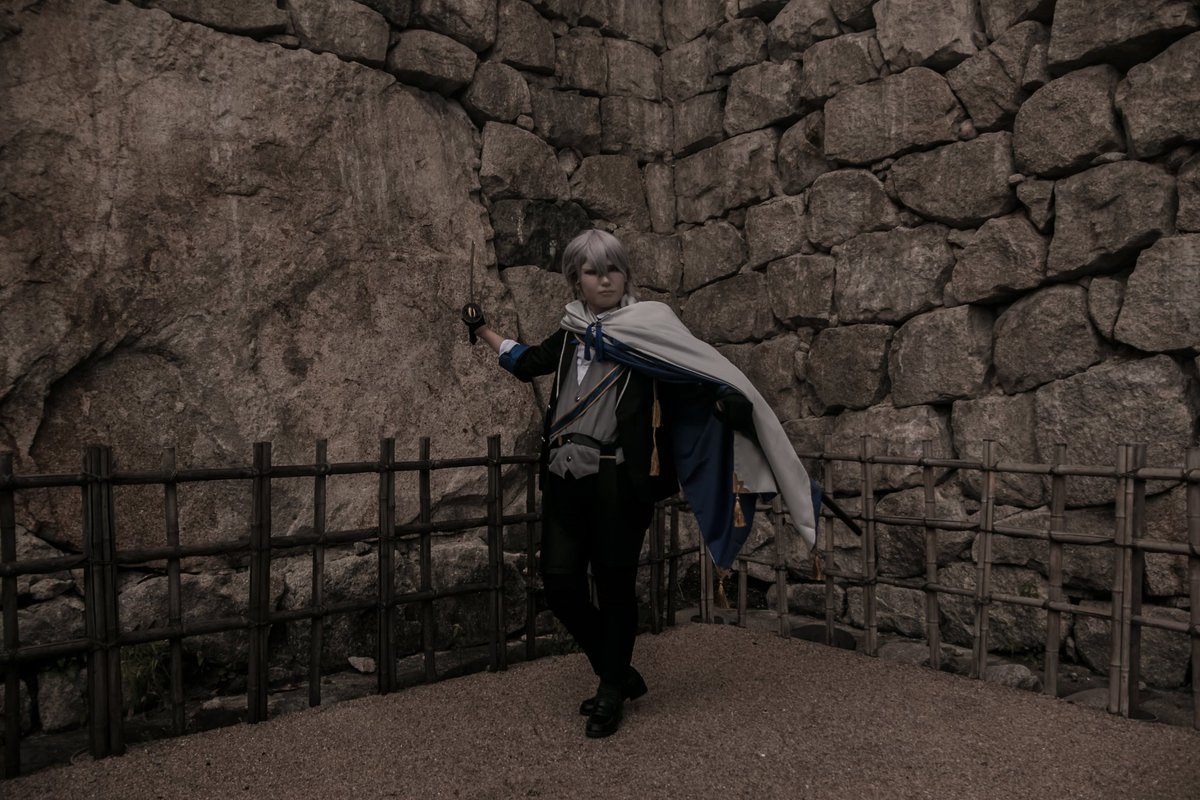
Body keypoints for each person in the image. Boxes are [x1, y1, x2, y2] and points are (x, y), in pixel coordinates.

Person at [461, 229, 817, 739]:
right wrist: (482, 330)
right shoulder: (571, 332)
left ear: (625, 274)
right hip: (563, 479)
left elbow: (697, 377)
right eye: (592, 271)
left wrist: (729, 402)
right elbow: (526, 362)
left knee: (613, 586)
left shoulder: (651, 329)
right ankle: (621, 671)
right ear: (576, 280)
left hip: (619, 481)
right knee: (559, 585)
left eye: (613, 269)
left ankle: (610, 689)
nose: (604, 279)